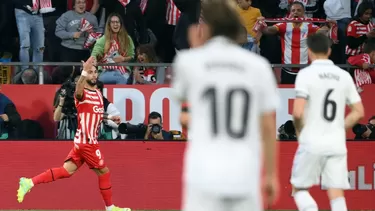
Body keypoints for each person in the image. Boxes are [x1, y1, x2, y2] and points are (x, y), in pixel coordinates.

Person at [171, 0, 279, 210]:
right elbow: (267, 127)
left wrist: (195, 48)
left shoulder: (189, 62)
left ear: (206, 27)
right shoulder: (259, 67)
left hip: (203, 172)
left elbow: (184, 116)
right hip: (244, 172)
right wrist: (271, 175)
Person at [16, 57, 131, 211]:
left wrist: (110, 117)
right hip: (86, 142)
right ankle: (110, 208)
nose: (94, 75)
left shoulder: (97, 93)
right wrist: (84, 71)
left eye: (95, 72)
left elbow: (95, 113)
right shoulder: (81, 94)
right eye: (91, 72)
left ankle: (28, 182)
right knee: (104, 172)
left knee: (66, 171)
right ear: (85, 75)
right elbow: (78, 90)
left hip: (83, 142)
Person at [291, 33, 365, 211]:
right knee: (336, 193)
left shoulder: (305, 74)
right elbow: (359, 112)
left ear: (309, 51)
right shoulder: (343, 76)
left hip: (311, 140)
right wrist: (339, 128)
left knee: (299, 189)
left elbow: (298, 112)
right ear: (330, 50)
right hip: (336, 142)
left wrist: (301, 134)